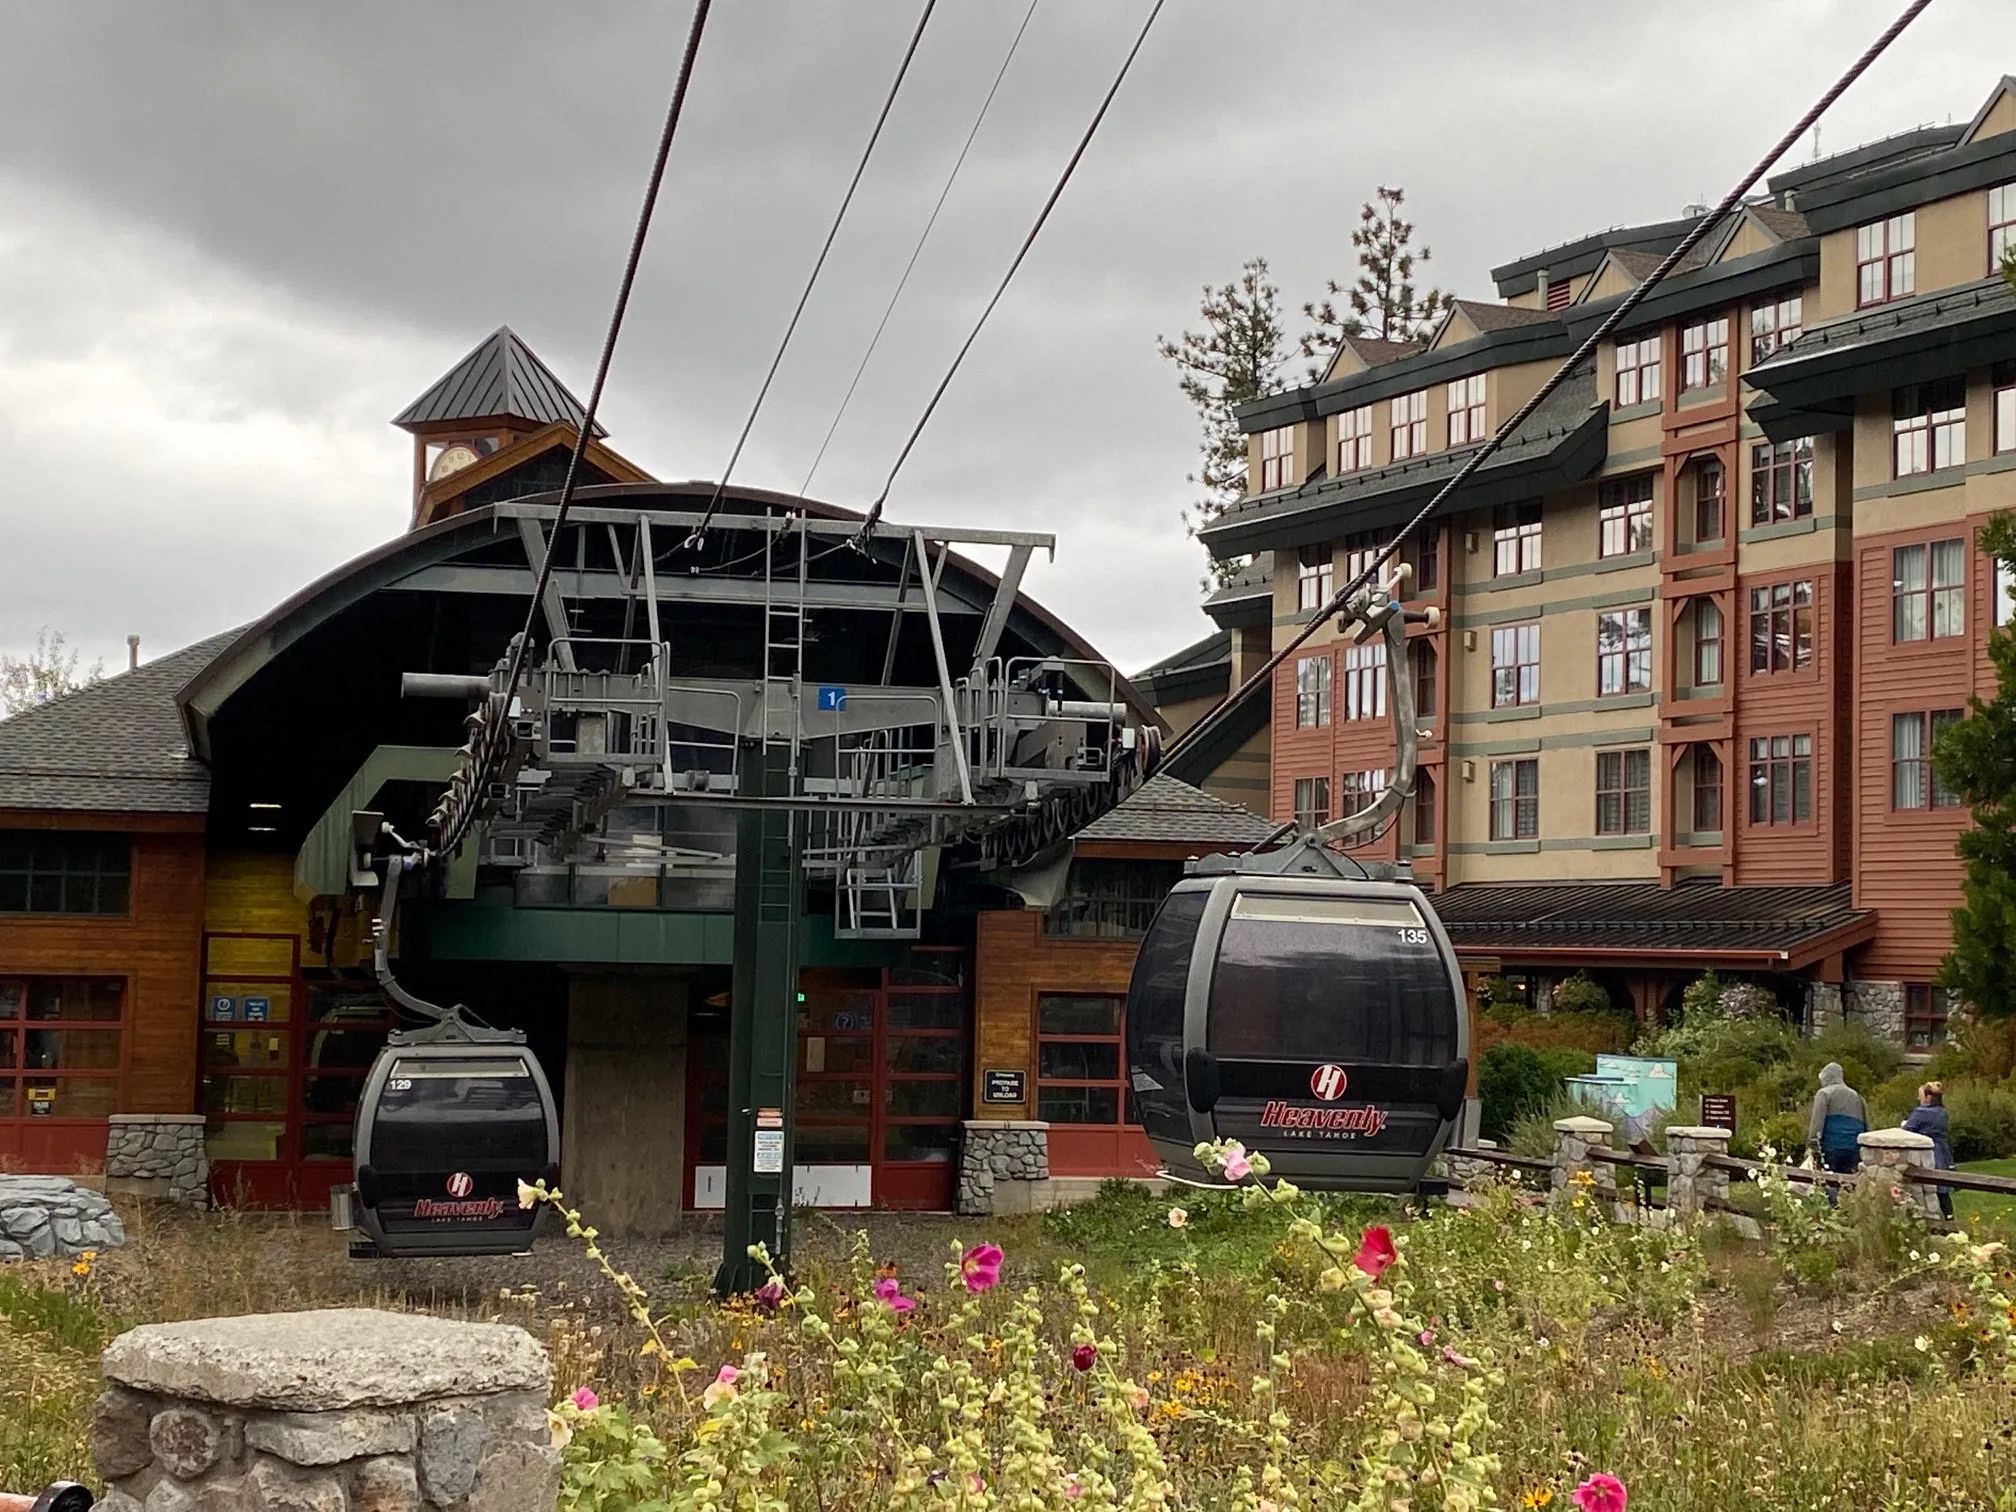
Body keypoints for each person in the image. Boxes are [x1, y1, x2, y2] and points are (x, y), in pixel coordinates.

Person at [1807, 1061, 1867, 1205]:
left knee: (1829, 1181)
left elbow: (1817, 1122)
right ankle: (1847, 1213)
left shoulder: (1824, 1094)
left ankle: (1832, 1213)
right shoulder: (1858, 1097)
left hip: (1830, 1146)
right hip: (1853, 1148)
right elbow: (1866, 1125)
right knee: (1848, 1184)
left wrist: (1812, 1145)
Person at [1901, 1081, 1955, 1220]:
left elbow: (1907, 1129)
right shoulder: (1942, 1112)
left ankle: (1932, 1220)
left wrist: (1903, 1124)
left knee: (1928, 1188)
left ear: (1928, 1097)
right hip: (1942, 1152)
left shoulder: (1922, 1112)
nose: (1919, 1099)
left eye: (1921, 1096)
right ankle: (1949, 1218)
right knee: (1942, 1190)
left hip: (1929, 1154)